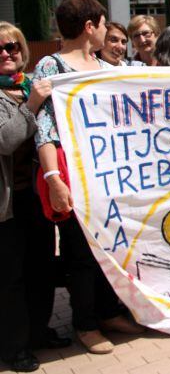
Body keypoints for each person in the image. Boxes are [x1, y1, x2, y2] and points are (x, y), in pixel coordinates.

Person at [35, 0, 144, 355]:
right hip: (74, 175)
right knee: (80, 252)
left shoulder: (102, 67)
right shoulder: (51, 68)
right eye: (101, 24)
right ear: (89, 27)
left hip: (108, 176)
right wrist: (54, 179)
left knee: (111, 245)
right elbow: (45, 128)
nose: (104, 30)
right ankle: (85, 323)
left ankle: (109, 311)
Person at [0, 23, 60, 373]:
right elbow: (6, 140)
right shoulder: (31, 94)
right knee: (11, 279)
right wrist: (34, 103)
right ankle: (15, 346)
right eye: (0, 49)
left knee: (41, 269)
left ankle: (40, 332)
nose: (8, 53)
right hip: (8, 203)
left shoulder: (32, 86)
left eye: (12, 46)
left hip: (39, 197)